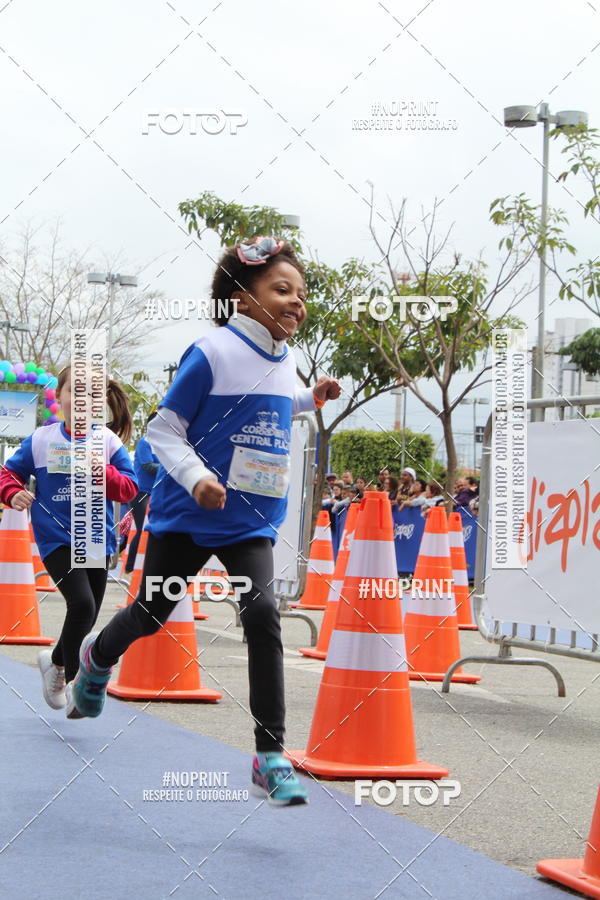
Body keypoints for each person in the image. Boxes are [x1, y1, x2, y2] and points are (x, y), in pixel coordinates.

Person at [66, 236, 341, 806]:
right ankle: (96, 659)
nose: (297, 303)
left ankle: (270, 755)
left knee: (263, 616)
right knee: (149, 613)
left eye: (302, 294)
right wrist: (196, 478)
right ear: (242, 298)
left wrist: (310, 398)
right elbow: (163, 430)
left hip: (249, 520)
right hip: (188, 515)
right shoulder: (211, 352)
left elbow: (273, 403)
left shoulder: (282, 357)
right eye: (282, 290)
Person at [0, 365, 137, 714]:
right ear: (58, 396)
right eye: (73, 391)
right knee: (83, 605)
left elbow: (130, 487)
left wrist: (101, 471)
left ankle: (56, 663)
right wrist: (12, 492)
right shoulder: (42, 440)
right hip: (56, 539)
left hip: (96, 539)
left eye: (91, 395)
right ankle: (78, 682)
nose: (80, 400)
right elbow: (8, 473)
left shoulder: (107, 442)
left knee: (86, 617)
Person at [125, 412, 160, 573]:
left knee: (154, 530)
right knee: (143, 529)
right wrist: (171, 468)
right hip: (140, 493)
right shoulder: (144, 442)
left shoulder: (165, 444)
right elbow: (148, 466)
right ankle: (131, 567)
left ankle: (146, 566)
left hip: (157, 493)